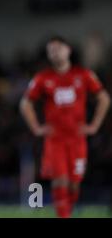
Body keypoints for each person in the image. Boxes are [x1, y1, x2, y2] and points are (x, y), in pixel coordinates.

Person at [20, 36, 110, 218]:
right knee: (60, 180)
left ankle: (66, 211)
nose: (55, 53)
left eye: (58, 48)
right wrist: (36, 127)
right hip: (55, 139)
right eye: (51, 50)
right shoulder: (43, 78)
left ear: (68, 50)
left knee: (74, 184)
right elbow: (25, 103)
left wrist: (94, 125)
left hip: (77, 138)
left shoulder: (84, 75)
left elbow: (104, 98)